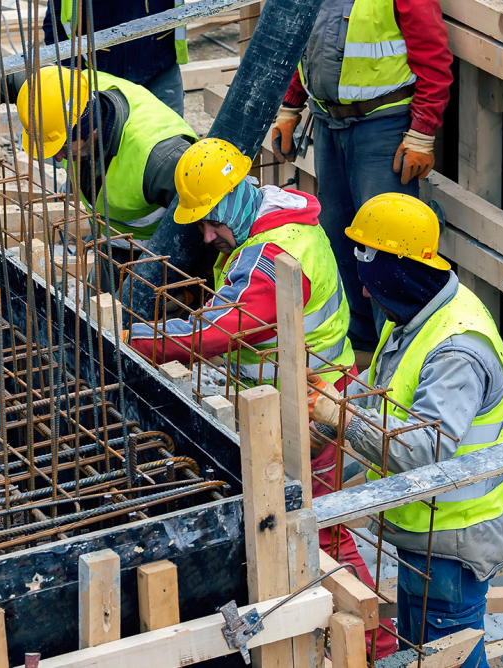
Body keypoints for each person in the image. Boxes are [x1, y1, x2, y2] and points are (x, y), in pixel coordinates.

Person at [126, 138, 397, 660]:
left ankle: (377, 644)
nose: (207, 237)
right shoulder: (269, 217)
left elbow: (223, 327)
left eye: (209, 220)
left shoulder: (274, 253)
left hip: (312, 410)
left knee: (320, 535)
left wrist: (139, 340)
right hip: (305, 397)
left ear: (232, 197)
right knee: (314, 529)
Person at [310, 193, 503, 668]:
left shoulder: (455, 351)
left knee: (448, 656)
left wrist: (340, 416)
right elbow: (383, 391)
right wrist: (331, 411)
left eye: (371, 285)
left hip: (453, 539)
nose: (364, 295)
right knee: (421, 651)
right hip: (422, 529)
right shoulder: (416, 314)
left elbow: (424, 450)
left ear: (396, 274)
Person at [272, 0, 453, 353]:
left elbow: (433, 58)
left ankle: (397, 352)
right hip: (327, 122)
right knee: (339, 237)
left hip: (382, 127)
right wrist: (290, 105)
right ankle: (361, 345)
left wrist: (422, 132)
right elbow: (304, 44)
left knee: (386, 248)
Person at [0, 66, 197, 252]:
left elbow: (211, 225)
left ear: (91, 128)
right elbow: (11, 78)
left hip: (157, 248)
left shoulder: (163, 160)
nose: (57, 156)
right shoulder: (61, 93)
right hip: (110, 235)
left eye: (61, 145)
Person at [43, 0, 188, 116]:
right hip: (101, 77)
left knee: (173, 139)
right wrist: (77, 76)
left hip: (160, 66)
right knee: (111, 145)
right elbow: (56, 27)